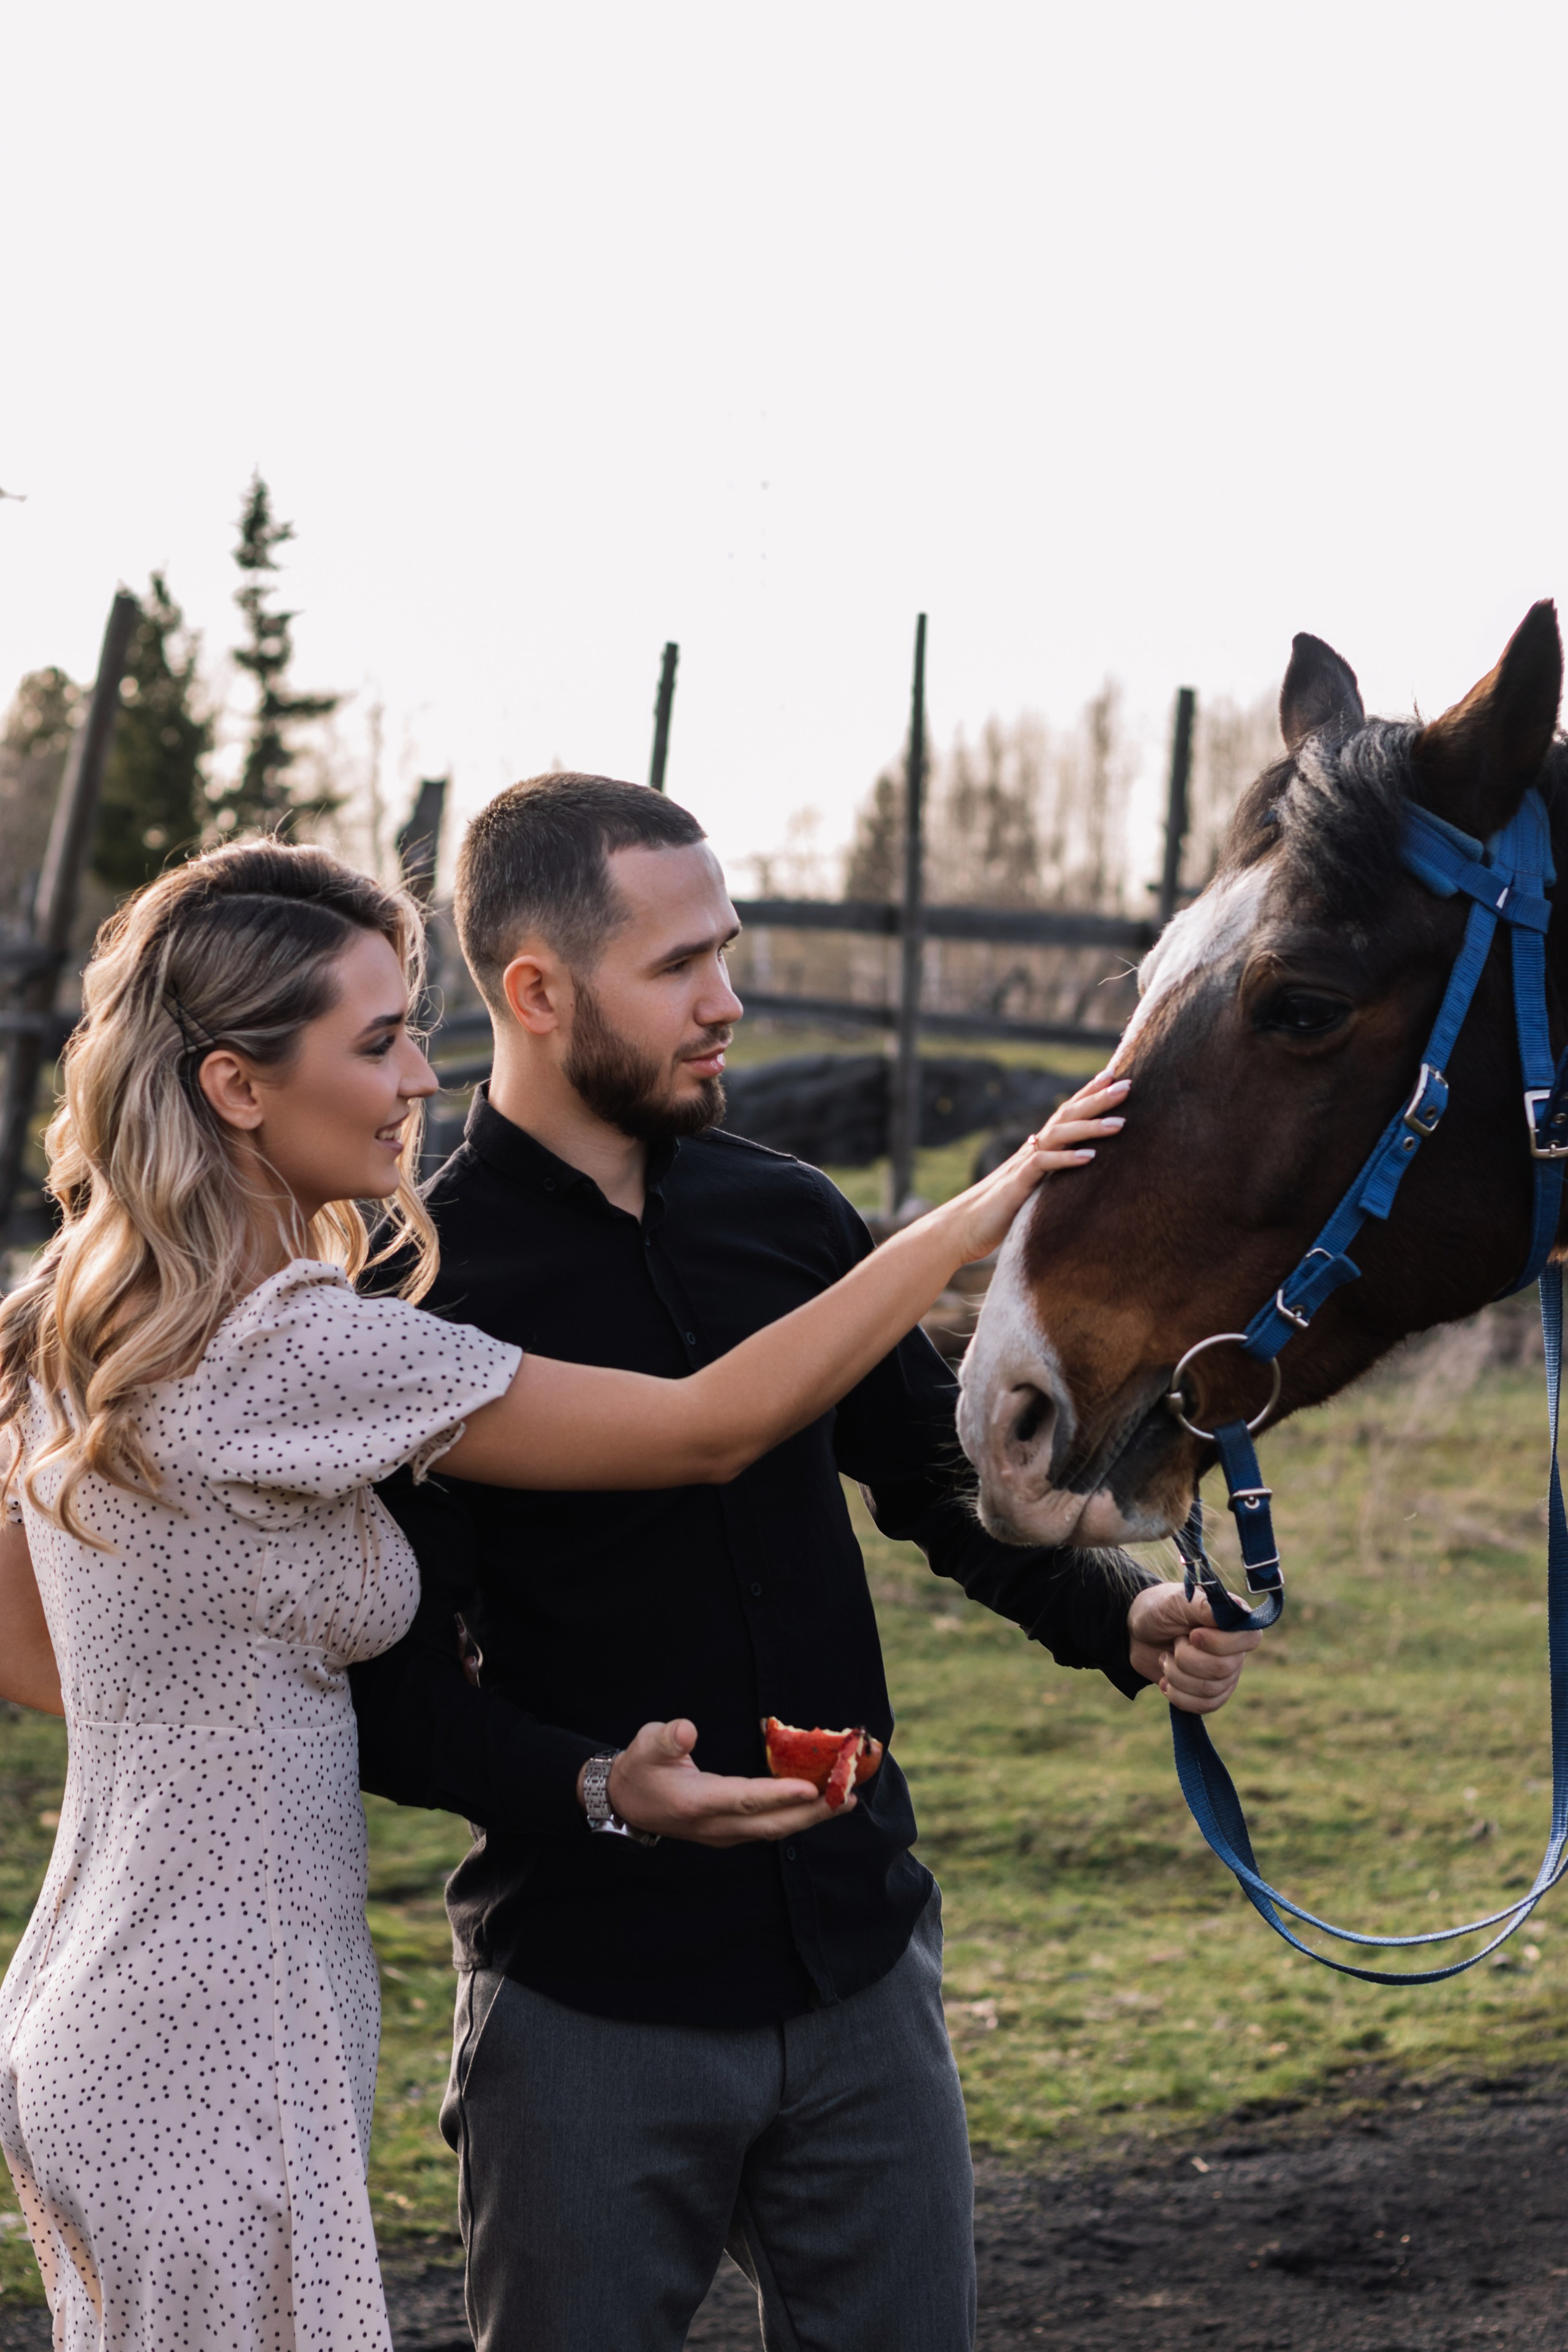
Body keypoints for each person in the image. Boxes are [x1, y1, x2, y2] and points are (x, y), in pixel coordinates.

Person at [0, 837, 1115, 2352]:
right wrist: (983, 1210)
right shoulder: (313, 1346)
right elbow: (708, 1426)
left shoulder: (70, 1326)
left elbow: (39, 1653)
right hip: (222, 2028)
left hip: (104, 1990)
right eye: (379, 1042)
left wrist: (214, 1708)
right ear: (236, 1087)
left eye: (415, 1035)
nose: (415, 1080)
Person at [350, 774, 1261, 2352]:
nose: (728, 1000)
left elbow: (929, 1484)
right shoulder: (411, 1288)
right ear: (536, 992)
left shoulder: (788, 1218)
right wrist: (595, 1787)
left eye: (731, 948)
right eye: (678, 965)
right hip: (586, 2004)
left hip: (860, 1972)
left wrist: (1121, 1621)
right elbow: (400, 1700)